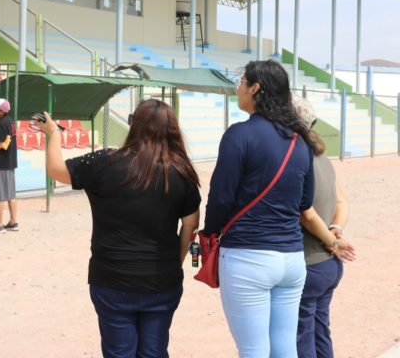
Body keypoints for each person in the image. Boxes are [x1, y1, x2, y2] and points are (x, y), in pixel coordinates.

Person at [34, 99, 201, 358]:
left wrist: (53, 133)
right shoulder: (181, 171)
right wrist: (174, 262)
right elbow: (190, 224)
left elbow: (56, 170)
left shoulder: (104, 161)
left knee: (119, 352)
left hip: (111, 279)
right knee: (154, 351)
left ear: (134, 125)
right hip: (161, 279)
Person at [204, 60, 323, 357]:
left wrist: (209, 233)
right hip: (291, 259)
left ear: (255, 88)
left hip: (248, 256)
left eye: (242, 81)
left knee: (253, 349)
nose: (238, 87)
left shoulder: (238, 135)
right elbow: (305, 202)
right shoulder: (300, 140)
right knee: (284, 348)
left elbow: (221, 197)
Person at [293, 96, 356, 358]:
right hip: (330, 265)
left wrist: (331, 240)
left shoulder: (297, 160)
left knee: (302, 334)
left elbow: (304, 215)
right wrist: (335, 230)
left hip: (311, 261)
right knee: (320, 329)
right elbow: (343, 201)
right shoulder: (323, 158)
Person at [0, 98, 18, 233]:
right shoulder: (11, 121)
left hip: (1, 163)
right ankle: (13, 221)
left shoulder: (0, 124)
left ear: (1, 111)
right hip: (10, 162)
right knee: (11, 194)